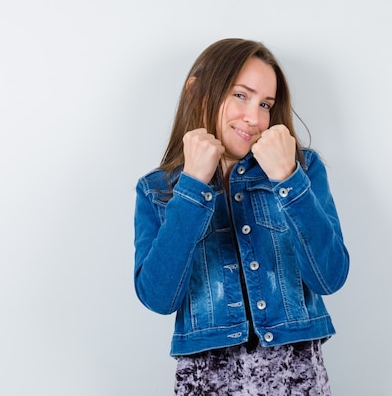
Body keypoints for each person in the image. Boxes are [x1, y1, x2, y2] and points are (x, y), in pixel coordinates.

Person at [133, 38, 350, 396]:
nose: (255, 118)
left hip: (296, 377)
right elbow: (159, 297)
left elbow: (331, 277)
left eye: (266, 104)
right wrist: (192, 187)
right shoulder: (159, 189)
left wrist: (288, 179)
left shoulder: (302, 169)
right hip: (207, 380)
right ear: (197, 91)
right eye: (240, 96)